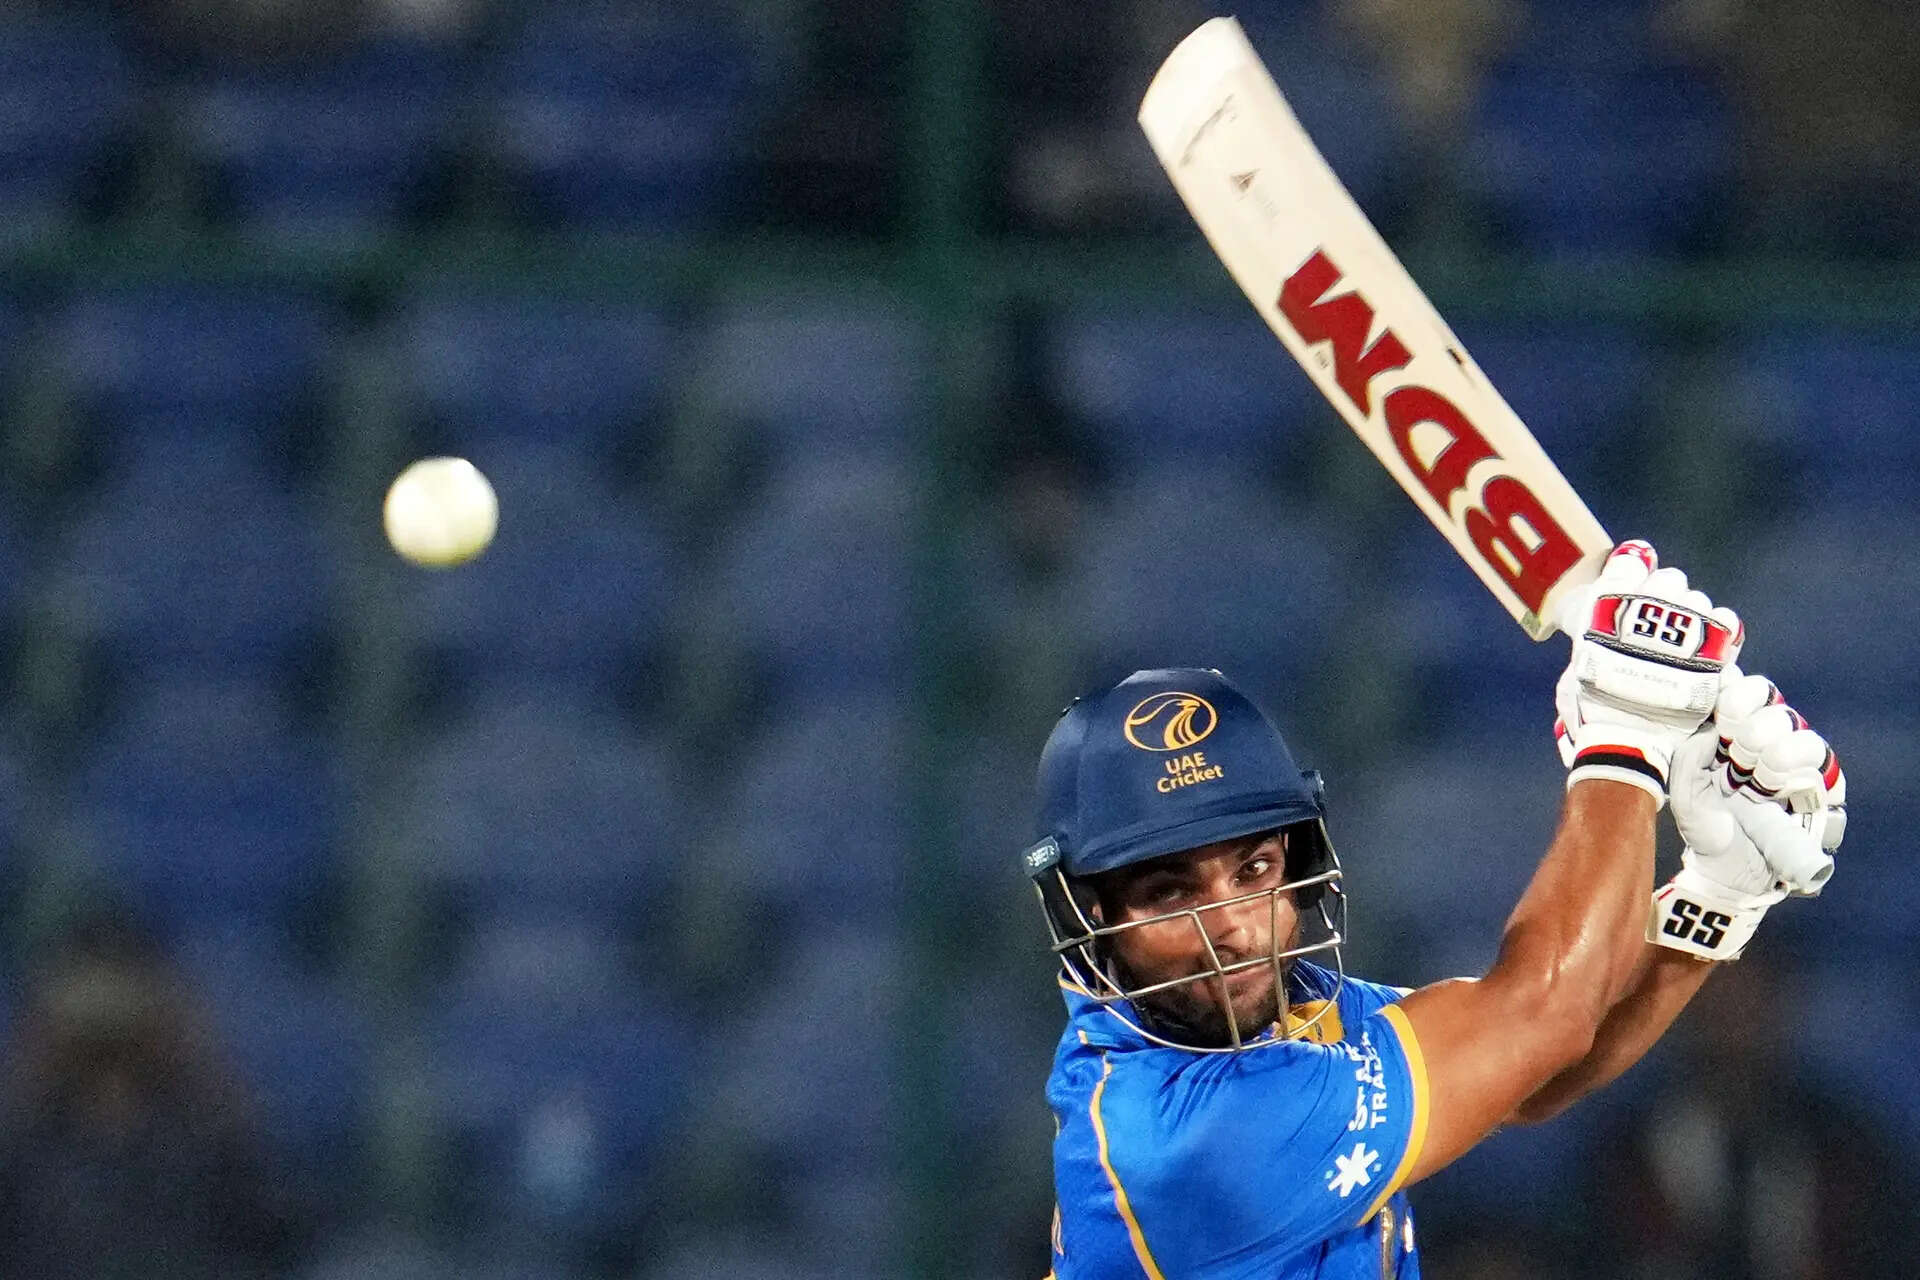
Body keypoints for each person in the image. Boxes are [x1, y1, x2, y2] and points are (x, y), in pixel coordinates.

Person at [1022, 542, 1847, 1279]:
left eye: (1255, 869)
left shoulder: (1282, 1017)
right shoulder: (1176, 1143)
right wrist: (1628, 741)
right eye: (1171, 893)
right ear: (1087, 914)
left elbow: (1529, 1074)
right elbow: (1545, 1013)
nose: (1233, 928)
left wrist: (1717, 894)